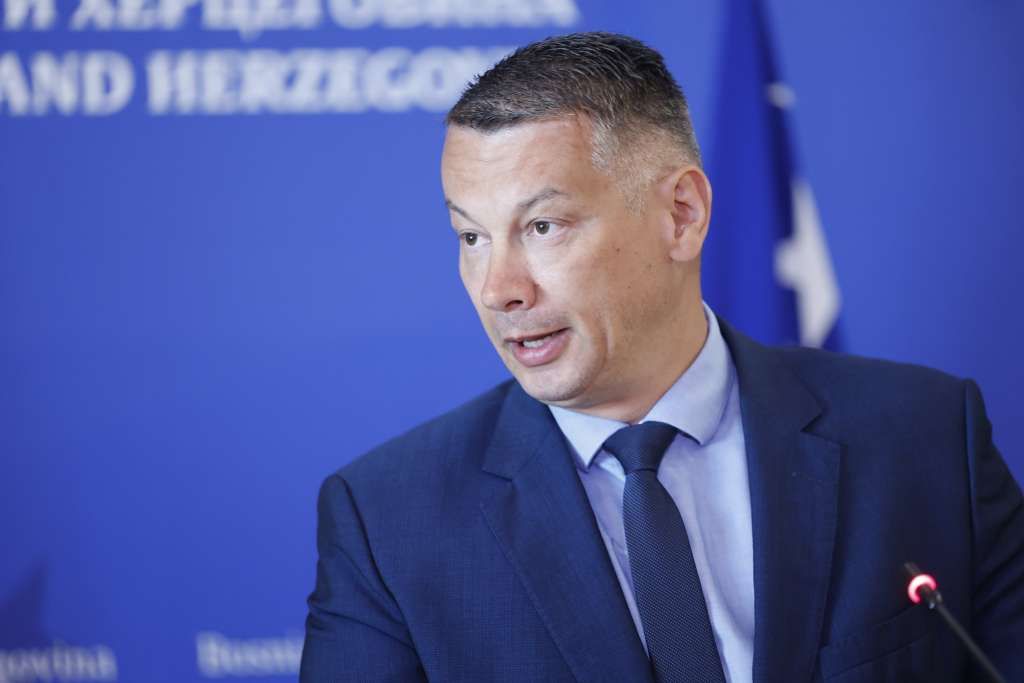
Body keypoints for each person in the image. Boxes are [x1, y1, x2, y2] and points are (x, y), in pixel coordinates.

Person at [300, 32, 1024, 682]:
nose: (499, 289)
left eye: (543, 226)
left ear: (682, 215)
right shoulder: (387, 521)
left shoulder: (928, 438)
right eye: (471, 237)